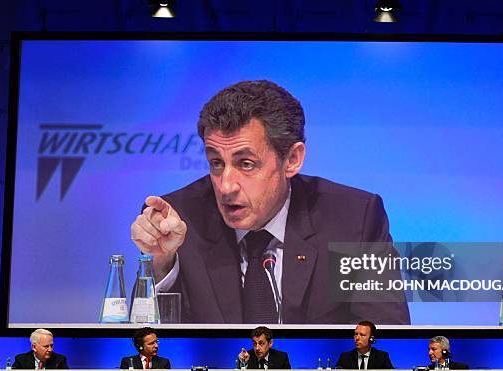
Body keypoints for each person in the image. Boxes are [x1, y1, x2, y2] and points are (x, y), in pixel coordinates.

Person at [130, 79, 409, 325]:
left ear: (292, 160)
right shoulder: (177, 221)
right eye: (216, 163)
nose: (226, 186)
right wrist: (160, 263)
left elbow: (383, 343)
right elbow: (146, 350)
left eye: (246, 164)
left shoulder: (354, 219)